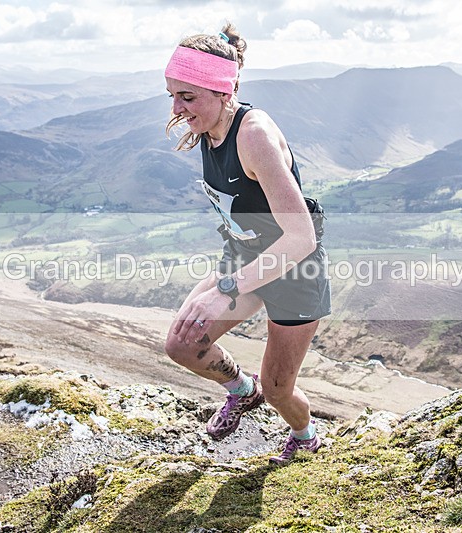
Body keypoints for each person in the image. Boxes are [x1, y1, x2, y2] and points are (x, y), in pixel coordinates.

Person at [163, 23, 332, 466]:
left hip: (295, 271)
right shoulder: (208, 124)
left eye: (187, 96)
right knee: (182, 344)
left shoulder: (253, 135)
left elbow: (300, 236)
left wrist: (226, 290)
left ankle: (305, 436)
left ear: (222, 90)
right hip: (246, 258)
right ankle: (241, 391)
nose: (178, 109)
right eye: (172, 95)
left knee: (280, 389)